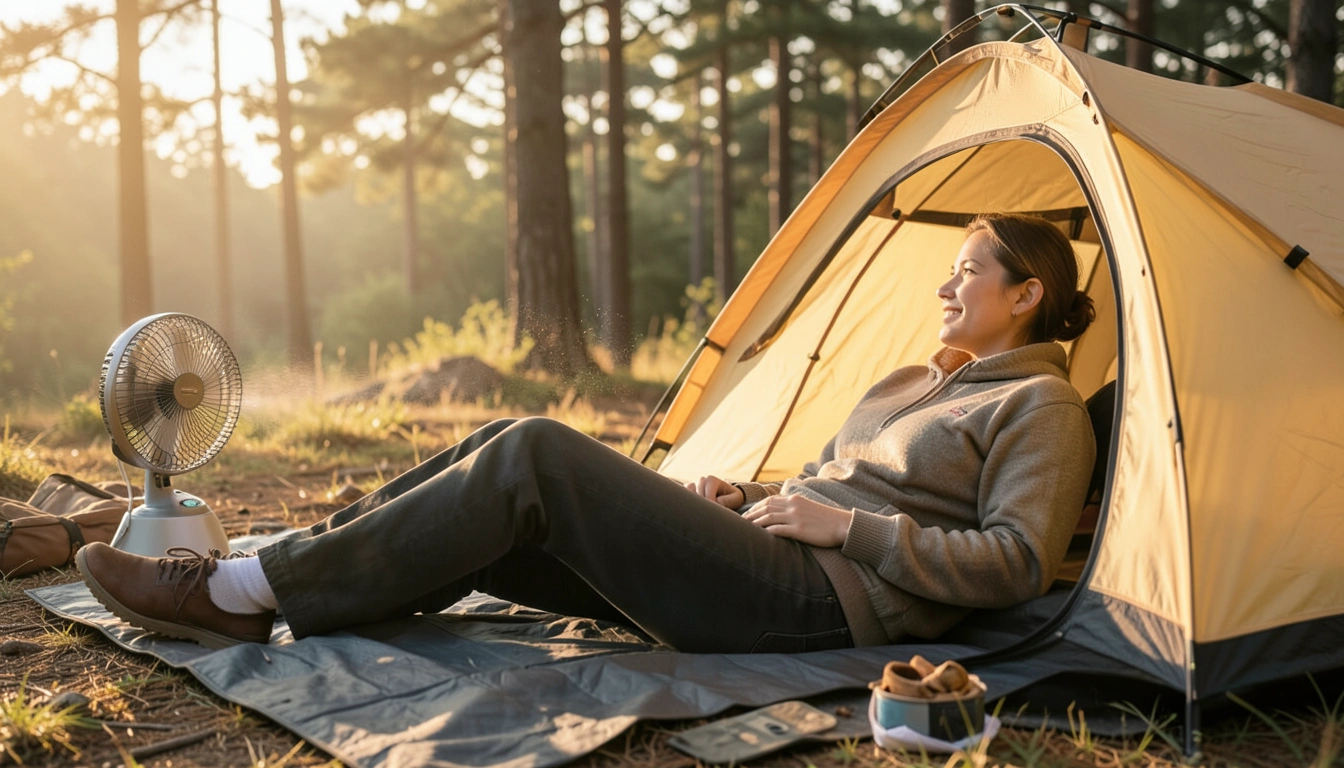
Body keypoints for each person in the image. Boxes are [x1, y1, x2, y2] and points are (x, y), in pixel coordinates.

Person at [76, 212, 1097, 653]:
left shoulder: (1037, 407)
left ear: (1028, 292)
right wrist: (752, 504)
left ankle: (240, 592)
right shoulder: (915, 379)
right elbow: (834, 485)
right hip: (775, 560)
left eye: (965, 271)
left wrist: (850, 535)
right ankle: (285, 573)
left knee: (538, 455)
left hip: (826, 607)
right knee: (506, 446)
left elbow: (1016, 564)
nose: (944, 285)